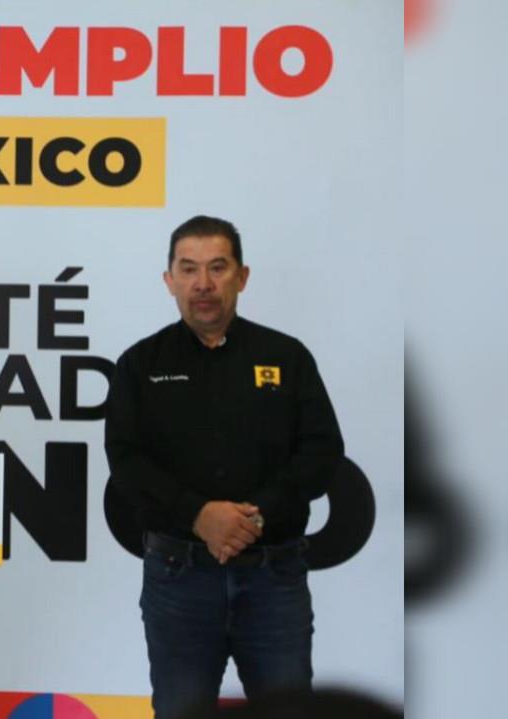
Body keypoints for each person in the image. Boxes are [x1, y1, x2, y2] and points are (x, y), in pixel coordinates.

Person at [104, 215, 345, 719]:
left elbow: (321, 453)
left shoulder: (287, 356)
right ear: (169, 280)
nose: (204, 284)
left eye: (218, 267)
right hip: (179, 580)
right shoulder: (140, 364)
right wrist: (198, 515)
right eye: (188, 269)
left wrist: (252, 518)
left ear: (243, 276)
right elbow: (127, 463)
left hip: (274, 578)